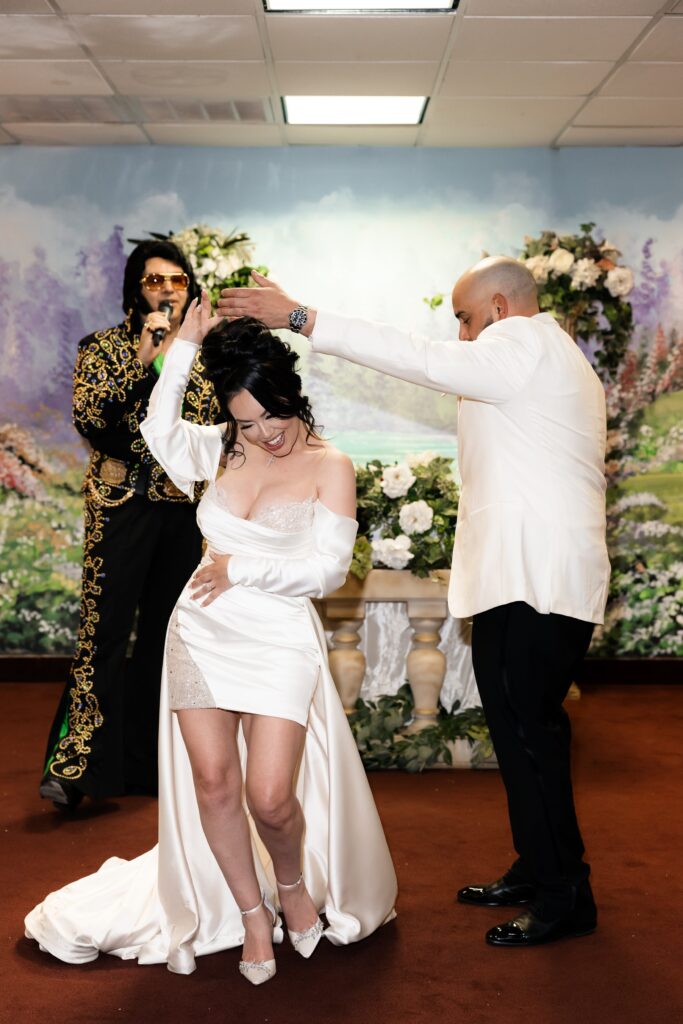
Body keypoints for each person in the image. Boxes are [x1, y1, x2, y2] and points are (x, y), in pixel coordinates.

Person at [216, 258, 611, 949]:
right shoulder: (542, 358)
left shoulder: (521, 343)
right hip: (523, 578)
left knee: (530, 736)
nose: (459, 336)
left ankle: (564, 893)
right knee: (521, 734)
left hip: (536, 580)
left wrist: (301, 319)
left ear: (496, 306)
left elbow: (422, 362)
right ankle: (540, 865)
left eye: (463, 319)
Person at [25, 294, 397, 983]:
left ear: (294, 398)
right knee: (212, 783)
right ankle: (253, 916)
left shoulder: (330, 465)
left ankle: (292, 888)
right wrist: (184, 350)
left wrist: (241, 567)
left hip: (279, 637)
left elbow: (328, 569)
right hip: (200, 631)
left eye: (274, 415)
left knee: (270, 797)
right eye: (247, 422)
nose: (265, 435)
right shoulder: (219, 447)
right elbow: (157, 429)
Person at [40, 240, 219, 810]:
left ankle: (150, 762)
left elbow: (213, 431)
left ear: (190, 290)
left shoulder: (208, 356)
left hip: (186, 516)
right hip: (120, 509)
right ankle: (74, 765)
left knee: (172, 639)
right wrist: (142, 362)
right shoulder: (104, 348)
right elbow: (93, 421)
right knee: (104, 634)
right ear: (134, 290)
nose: (167, 289)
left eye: (177, 280)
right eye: (153, 281)